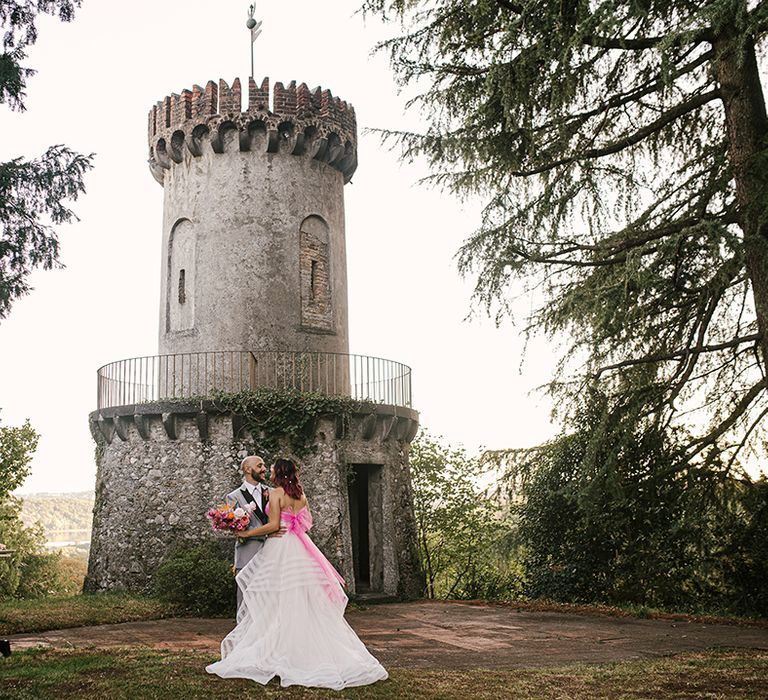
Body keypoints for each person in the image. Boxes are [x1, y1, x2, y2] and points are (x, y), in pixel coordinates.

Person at [206, 458, 388, 690]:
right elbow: (306, 524)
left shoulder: (275, 494)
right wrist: (289, 526)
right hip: (299, 547)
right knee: (302, 599)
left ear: (278, 474)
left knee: (274, 599)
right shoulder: (301, 495)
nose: (268, 471)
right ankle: (304, 650)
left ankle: (277, 650)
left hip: (278, 548)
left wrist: (248, 534)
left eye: (271, 469)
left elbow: (272, 526)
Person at [224, 455, 272, 610]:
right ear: (247, 469)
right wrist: (265, 531)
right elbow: (235, 529)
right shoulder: (233, 496)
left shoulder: (273, 493)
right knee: (246, 597)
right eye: (260, 466)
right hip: (247, 553)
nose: (264, 469)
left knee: (271, 597)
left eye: (264, 465)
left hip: (273, 551)